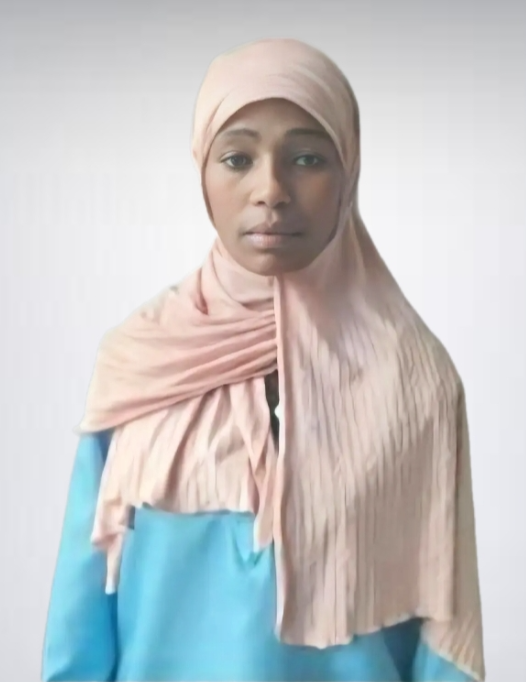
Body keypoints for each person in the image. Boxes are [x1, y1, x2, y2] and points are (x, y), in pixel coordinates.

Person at [41, 38, 485, 682]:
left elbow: (447, 632)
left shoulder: (416, 379)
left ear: (349, 171)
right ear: (202, 172)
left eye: (307, 159)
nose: (271, 189)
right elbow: (81, 615)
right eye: (237, 158)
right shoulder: (141, 363)